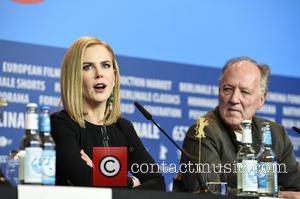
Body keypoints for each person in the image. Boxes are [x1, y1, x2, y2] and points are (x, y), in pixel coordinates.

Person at [173, 57, 300, 196]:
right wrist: (274, 195)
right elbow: (208, 193)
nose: (234, 99)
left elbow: (295, 187)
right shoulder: (202, 131)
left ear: (261, 99)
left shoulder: (275, 134)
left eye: (245, 92)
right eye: (227, 89)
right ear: (219, 91)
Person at [51, 36, 165, 190]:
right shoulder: (60, 124)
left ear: (114, 76)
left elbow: (157, 183)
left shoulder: (123, 127)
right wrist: (131, 182)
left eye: (105, 65)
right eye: (87, 67)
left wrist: (98, 174)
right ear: (73, 77)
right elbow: (86, 181)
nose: (99, 73)